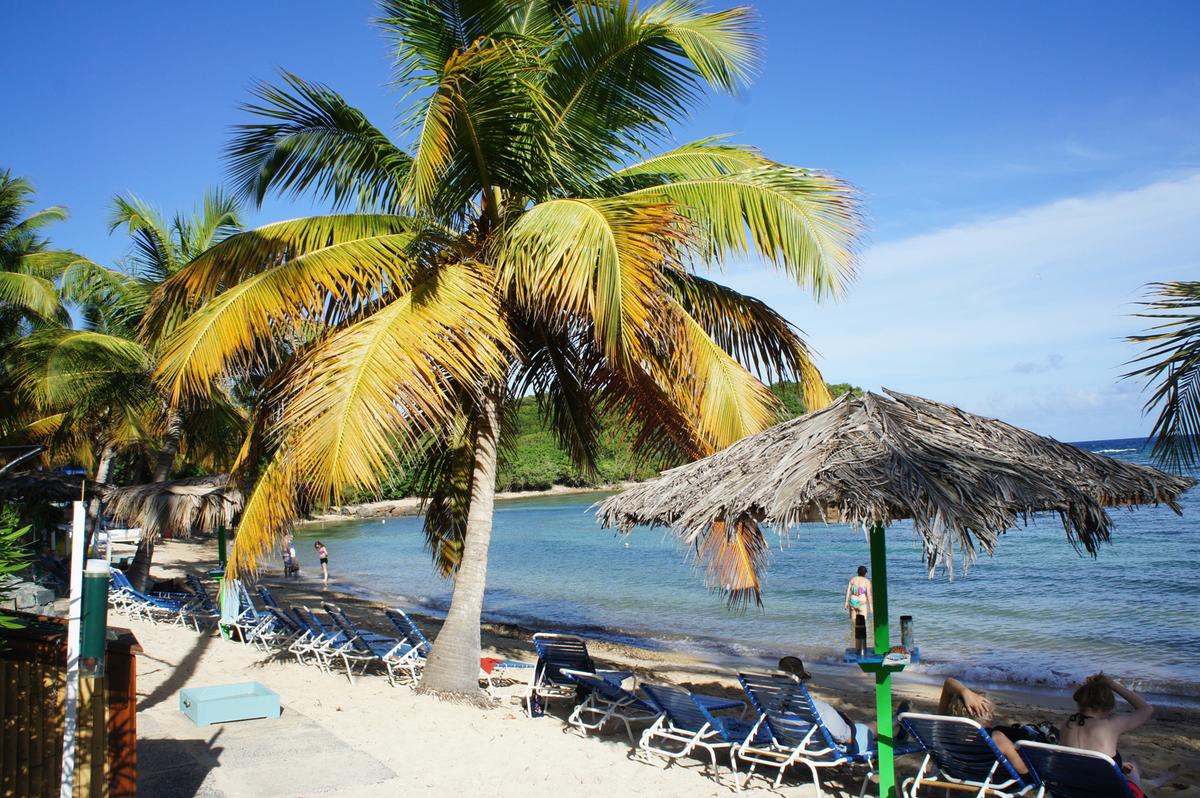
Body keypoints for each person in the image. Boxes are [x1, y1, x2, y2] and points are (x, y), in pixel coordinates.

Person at [1061, 673, 1164, 793]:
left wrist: (1117, 764)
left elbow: (1083, 759)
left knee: (1125, 767)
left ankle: (1155, 782)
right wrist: (1112, 684)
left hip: (1072, 790)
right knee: (1133, 766)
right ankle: (1154, 783)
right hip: (1106, 792)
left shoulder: (1066, 724)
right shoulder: (1110, 726)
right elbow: (1147, 709)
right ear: (1109, 706)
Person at [778, 657, 881, 754]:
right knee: (875, 726)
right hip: (824, 748)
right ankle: (896, 724)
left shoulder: (773, 704)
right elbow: (847, 738)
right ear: (802, 680)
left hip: (793, 742)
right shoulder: (817, 708)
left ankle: (897, 723)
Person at [844, 565, 872, 644]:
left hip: (853, 602)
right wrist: (871, 607)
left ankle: (853, 640)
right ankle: (862, 643)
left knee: (853, 623)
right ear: (865, 573)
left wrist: (846, 602)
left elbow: (848, 592)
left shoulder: (852, 579)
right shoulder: (867, 581)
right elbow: (869, 595)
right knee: (863, 624)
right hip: (862, 603)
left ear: (857, 572)